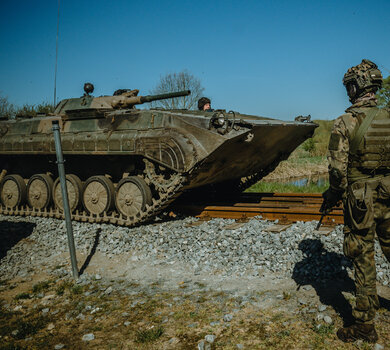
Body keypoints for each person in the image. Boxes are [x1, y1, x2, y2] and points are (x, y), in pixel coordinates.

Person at [322, 59, 390, 343]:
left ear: (357, 87)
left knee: (363, 258)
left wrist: (335, 194)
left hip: (360, 200)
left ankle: (364, 325)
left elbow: (338, 171)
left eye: (350, 86)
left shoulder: (345, 122)